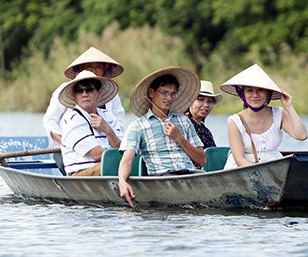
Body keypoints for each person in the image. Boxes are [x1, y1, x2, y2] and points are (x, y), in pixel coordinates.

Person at [118, 67, 206, 206]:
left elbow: (202, 161)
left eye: (173, 94)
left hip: (191, 175)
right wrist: (122, 181)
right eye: (164, 93)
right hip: (163, 178)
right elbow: (127, 160)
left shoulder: (184, 120)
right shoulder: (138, 126)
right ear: (152, 93)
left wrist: (179, 138)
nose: (169, 98)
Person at [219, 64, 308, 169]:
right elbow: (240, 160)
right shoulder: (235, 121)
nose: (255, 95)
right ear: (243, 94)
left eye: (260, 90)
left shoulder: (278, 113)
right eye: (249, 90)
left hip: (275, 170)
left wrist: (289, 106)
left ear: (267, 93)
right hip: (243, 172)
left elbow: (302, 135)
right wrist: (264, 174)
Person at [43, 46, 125, 147]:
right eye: (89, 67)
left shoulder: (112, 97)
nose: (94, 70)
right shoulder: (66, 90)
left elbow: (119, 125)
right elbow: (50, 121)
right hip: (67, 149)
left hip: (104, 149)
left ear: (104, 70)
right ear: (81, 70)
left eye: (98, 67)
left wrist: (108, 131)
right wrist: (67, 143)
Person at [58, 70, 123, 176]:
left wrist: (108, 130)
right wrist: (125, 159)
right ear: (74, 95)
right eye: (80, 91)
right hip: (82, 173)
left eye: (89, 90)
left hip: (106, 168)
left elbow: (121, 147)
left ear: (99, 92)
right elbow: (97, 154)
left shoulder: (108, 116)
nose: (84, 94)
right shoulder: (72, 119)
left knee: (129, 163)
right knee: (123, 165)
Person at [185, 80, 222, 149]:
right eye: (200, 99)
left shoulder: (204, 129)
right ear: (190, 101)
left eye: (210, 101)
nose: (206, 105)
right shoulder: (185, 124)